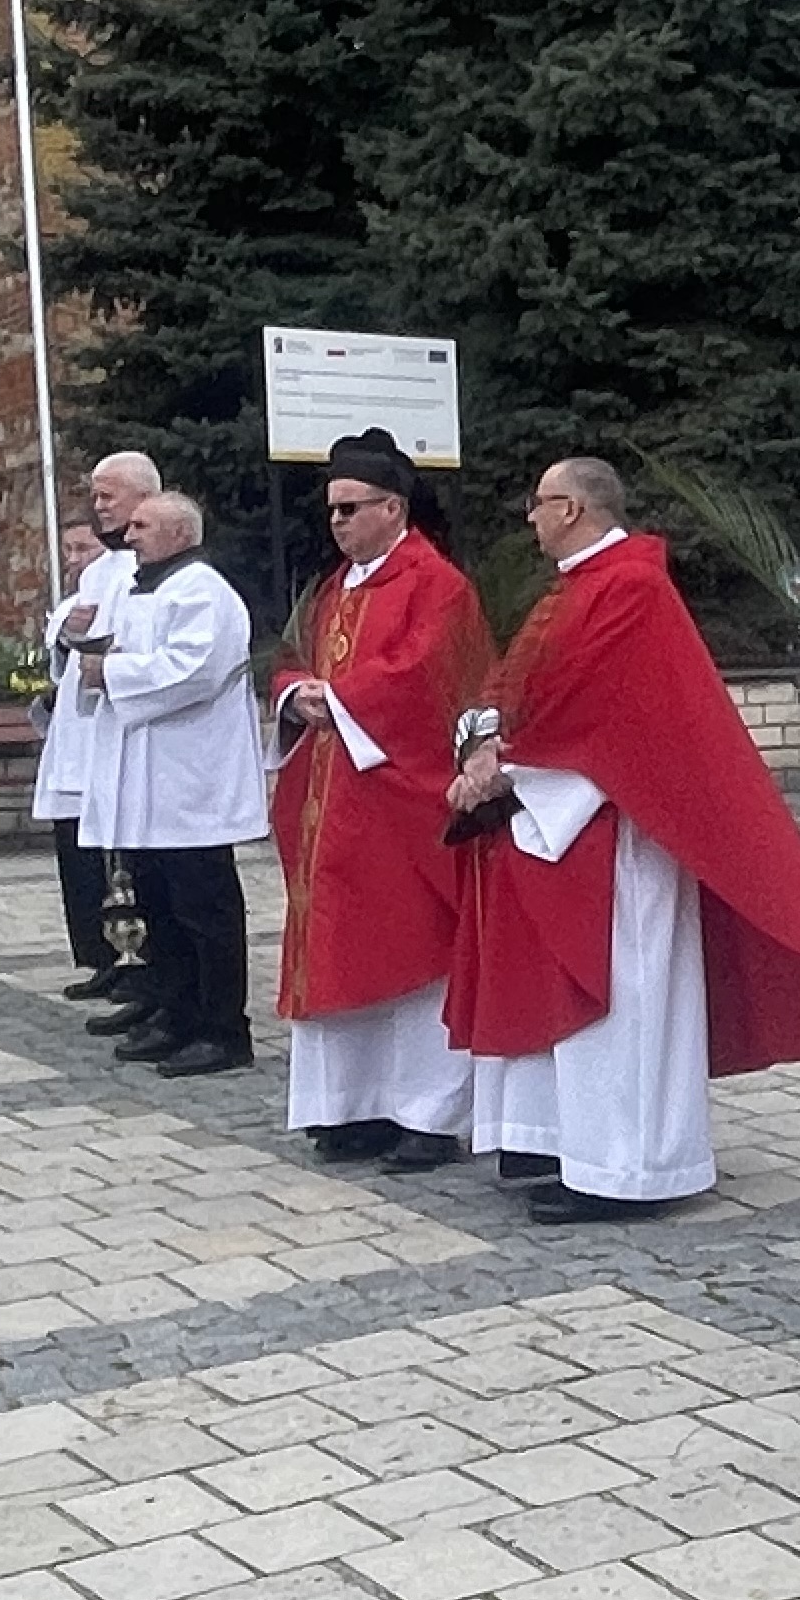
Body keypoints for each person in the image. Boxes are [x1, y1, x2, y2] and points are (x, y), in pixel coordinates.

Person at [446, 459, 800, 1218]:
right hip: (557, 816)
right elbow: (517, 689)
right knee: (566, 984)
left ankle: (627, 1168)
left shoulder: (629, 587)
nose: (528, 518)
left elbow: (608, 715)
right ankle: (559, 1138)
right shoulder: (578, 587)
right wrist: (484, 747)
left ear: (568, 508)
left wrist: (505, 775)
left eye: (536, 504)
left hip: (617, 825)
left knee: (622, 997)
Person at [269, 430, 488, 1167]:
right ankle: (349, 1108)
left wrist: (342, 697)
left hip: (402, 804)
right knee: (338, 951)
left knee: (417, 956)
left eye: (351, 508)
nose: (337, 522)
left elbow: (428, 675)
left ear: (393, 508)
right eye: (331, 510)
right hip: (332, 804)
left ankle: (427, 1116)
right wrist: (296, 693)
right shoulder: (337, 587)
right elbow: (294, 658)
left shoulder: (438, 584)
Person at [78, 492, 267, 1076]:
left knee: (204, 908)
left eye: (142, 525)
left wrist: (108, 670)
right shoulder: (150, 589)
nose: (129, 535)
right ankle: (175, 1009)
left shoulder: (202, 591)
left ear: (181, 534)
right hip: (151, 781)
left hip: (192, 782)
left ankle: (223, 1027)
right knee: (159, 903)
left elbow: (192, 671)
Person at [34, 452, 159, 1001]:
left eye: (108, 496)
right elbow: (62, 649)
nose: (99, 506)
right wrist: (67, 638)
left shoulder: (154, 568)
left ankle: (138, 962)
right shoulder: (103, 571)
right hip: (78, 729)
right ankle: (104, 955)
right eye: (97, 496)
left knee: (122, 862)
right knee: (81, 856)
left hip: (121, 731)